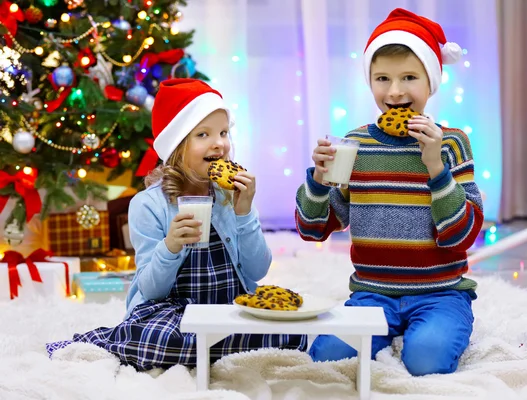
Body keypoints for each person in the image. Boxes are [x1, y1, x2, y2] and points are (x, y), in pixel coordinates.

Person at [47, 78, 306, 370]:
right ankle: (209, 347)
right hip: (172, 311)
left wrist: (244, 213)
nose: (219, 143)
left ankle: (215, 345)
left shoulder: (232, 194)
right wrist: (170, 246)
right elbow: (151, 289)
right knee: (160, 338)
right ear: (177, 147)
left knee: (290, 326)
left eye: (223, 132)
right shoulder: (147, 205)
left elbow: (258, 270)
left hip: (229, 306)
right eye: (203, 134)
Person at [295, 8, 483, 376]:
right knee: (327, 359)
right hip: (372, 293)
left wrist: (434, 168)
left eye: (409, 77)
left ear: (431, 82)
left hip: (440, 293)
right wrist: (318, 179)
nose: (394, 91)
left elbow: (463, 236)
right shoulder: (355, 145)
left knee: (426, 360)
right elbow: (312, 229)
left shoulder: (451, 144)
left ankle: (438, 329)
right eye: (382, 78)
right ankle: (388, 329)